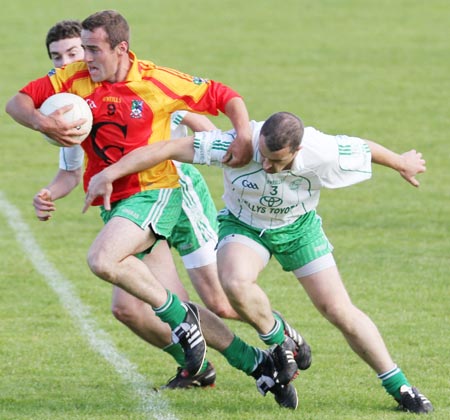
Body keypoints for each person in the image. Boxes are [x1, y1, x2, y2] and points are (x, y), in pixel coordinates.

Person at [6, 11, 303, 409]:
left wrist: (244, 135)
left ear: (121, 48)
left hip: (157, 191)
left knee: (105, 260)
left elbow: (223, 94)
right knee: (132, 307)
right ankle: (257, 365)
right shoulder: (73, 81)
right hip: (117, 205)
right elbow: (17, 102)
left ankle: (218, 326)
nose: (84, 58)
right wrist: (42, 122)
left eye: (93, 49)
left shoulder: (154, 81)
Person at [83, 112, 434, 414]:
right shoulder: (236, 144)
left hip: (299, 229)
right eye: (262, 156)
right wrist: (111, 173)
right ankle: (281, 339)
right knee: (234, 284)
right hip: (244, 227)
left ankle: (400, 387)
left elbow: (364, 148)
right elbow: (166, 148)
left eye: (276, 161)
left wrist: (402, 162)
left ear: (298, 150)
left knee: (338, 309)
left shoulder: (322, 151)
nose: (266, 165)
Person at [34, 19, 239, 389]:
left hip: (173, 193)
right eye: (56, 57)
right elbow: (69, 171)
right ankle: (198, 366)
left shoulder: (140, 86)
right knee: (128, 308)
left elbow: (202, 125)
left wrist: (228, 154)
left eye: (74, 53)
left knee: (220, 301)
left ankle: (277, 338)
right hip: (127, 205)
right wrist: (49, 193)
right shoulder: (68, 108)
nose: (65, 63)